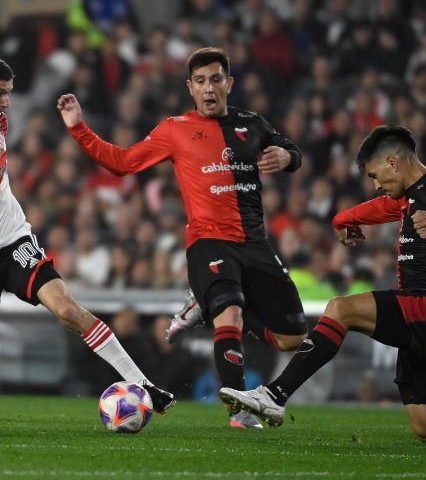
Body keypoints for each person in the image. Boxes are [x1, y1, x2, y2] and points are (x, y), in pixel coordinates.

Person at [219, 124, 426, 445]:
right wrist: (342, 219)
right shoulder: (410, 197)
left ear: (392, 163)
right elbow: (381, 207)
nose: (375, 184)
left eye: (375, 175)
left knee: (341, 309)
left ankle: (275, 395)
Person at [0, 53, 174, 425]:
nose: (6, 102)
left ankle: (144, 384)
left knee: (68, 310)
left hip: (14, 241)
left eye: (9, 93)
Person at [58, 47, 308, 429]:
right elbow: (122, 163)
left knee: (293, 337)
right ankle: (240, 413)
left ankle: (203, 307)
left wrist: (288, 159)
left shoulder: (252, 124)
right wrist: (79, 128)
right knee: (230, 313)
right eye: (201, 81)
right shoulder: (174, 129)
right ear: (190, 87)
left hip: (256, 244)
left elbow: (292, 150)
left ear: (229, 83)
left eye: (216, 79)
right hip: (209, 242)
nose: (209, 88)